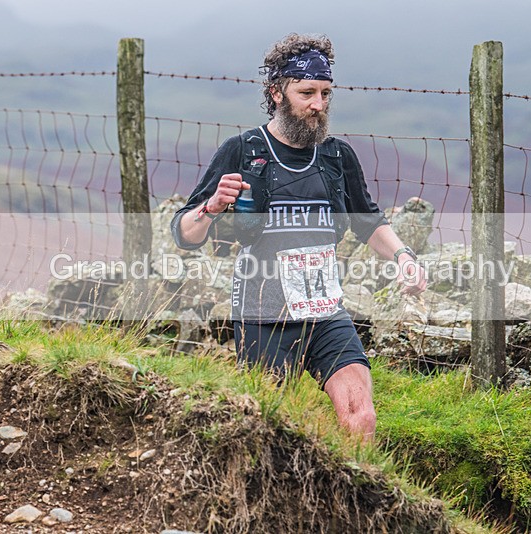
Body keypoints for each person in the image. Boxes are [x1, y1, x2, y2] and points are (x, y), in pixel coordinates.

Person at [171, 33, 426, 442]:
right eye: (307, 92)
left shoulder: (336, 156)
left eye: (326, 93)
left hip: (325, 310)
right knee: (268, 429)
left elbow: (367, 222)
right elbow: (184, 233)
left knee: (361, 416)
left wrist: (403, 256)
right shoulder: (243, 149)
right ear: (276, 93)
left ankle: (351, 502)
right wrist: (211, 207)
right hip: (263, 314)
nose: (318, 105)